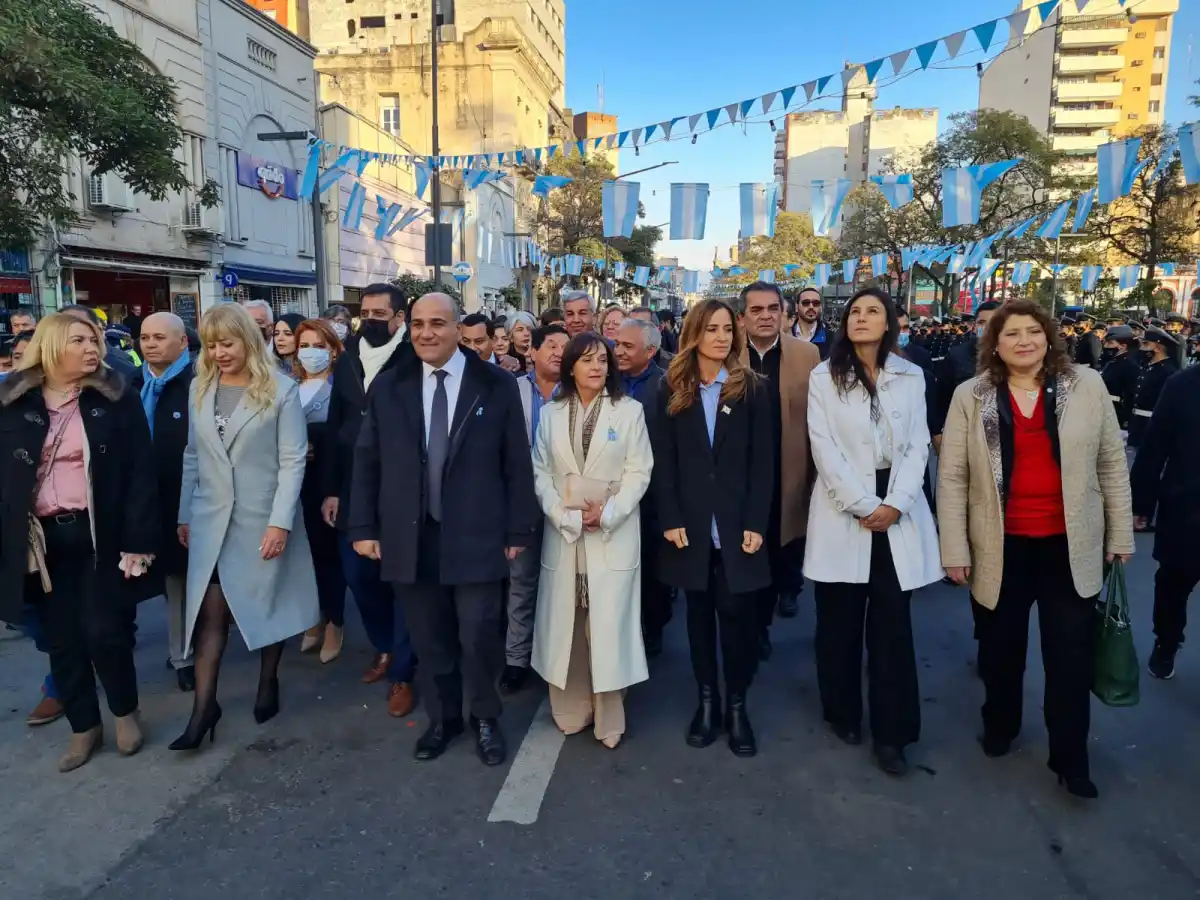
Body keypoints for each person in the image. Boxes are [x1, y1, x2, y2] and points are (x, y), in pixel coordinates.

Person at [938, 299, 1133, 799]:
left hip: (1070, 545)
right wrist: (954, 547)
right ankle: (1000, 724)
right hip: (1000, 545)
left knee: (1069, 656)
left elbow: (1111, 463)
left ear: (1049, 337)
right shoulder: (971, 394)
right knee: (1001, 650)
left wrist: (1121, 535)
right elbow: (954, 475)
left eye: (1033, 331)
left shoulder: (1086, 385)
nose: (1023, 341)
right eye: (1011, 334)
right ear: (995, 345)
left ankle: (1071, 759)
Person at [348, 292, 539, 766]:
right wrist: (363, 525)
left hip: (476, 534)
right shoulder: (390, 387)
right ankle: (443, 718)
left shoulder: (495, 385)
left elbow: (516, 464)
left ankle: (485, 718)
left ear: (458, 329)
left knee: (477, 635)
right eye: (417, 323)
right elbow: (367, 461)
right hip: (409, 537)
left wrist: (518, 532)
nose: (426, 333)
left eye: (437, 323)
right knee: (429, 637)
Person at [0, 313, 160, 771]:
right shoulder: (12, 401)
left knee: (104, 631)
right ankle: (83, 726)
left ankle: (125, 712)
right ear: (51, 347)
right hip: (37, 541)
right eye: (80, 340)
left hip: (98, 535)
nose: (93, 349)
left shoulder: (115, 398)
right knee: (59, 639)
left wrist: (138, 540)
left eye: (95, 340)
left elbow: (140, 473)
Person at [804, 288, 941, 778]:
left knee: (892, 628)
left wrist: (896, 503)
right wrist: (864, 505)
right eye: (854, 312)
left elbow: (918, 447)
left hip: (896, 505)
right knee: (838, 623)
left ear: (890, 324)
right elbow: (823, 447)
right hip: (845, 504)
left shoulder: (911, 375)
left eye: (872, 312)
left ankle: (893, 734)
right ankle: (841, 710)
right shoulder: (824, 377)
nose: (861, 319)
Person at [171, 303, 319, 750]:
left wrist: (280, 523)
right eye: (211, 344)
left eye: (227, 343)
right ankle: (203, 710)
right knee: (210, 614)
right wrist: (184, 513)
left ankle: (268, 680)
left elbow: (293, 460)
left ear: (248, 341)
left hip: (261, 519)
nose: (219, 352)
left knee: (265, 604)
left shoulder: (280, 390)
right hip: (210, 519)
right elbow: (193, 456)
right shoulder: (200, 387)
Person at [649, 298, 773, 757]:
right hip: (690, 528)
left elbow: (764, 463)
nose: (721, 337)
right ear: (693, 334)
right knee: (698, 621)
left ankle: (737, 706)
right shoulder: (670, 388)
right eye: (711, 329)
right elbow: (663, 463)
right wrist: (672, 518)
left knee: (738, 621)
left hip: (739, 526)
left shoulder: (753, 387)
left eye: (727, 329)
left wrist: (757, 521)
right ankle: (707, 701)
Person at [531, 333, 653, 749]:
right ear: (570, 367)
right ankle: (570, 706)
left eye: (603, 359)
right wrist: (564, 516)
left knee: (608, 625)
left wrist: (610, 513)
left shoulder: (629, 411)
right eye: (587, 360)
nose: (598, 366)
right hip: (565, 534)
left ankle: (609, 712)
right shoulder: (550, 414)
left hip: (611, 532)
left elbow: (640, 472)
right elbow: (541, 474)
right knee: (569, 621)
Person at [322, 283, 418, 717]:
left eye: (381, 313)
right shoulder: (347, 356)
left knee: (402, 581)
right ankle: (383, 646)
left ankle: (403, 670)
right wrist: (331, 488)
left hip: (399, 489)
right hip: (352, 487)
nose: (371, 319)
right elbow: (334, 425)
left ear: (399, 318)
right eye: (366, 311)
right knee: (359, 575)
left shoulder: (414, 357)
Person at [737, 282, 820, 651]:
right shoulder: (725, 354)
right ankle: (751, 628)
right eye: (756, 310)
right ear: (742, 319)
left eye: (773, 309)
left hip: (790, 468)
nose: (766, 316)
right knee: (745, 552)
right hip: (739, 475)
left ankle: (771, 610)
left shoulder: (808, 355)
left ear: (785, 314)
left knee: (781, 544)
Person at [503, 323, 570, 693]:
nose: (559, 352)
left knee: (563, 583)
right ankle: (516, 658)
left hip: (565, 501)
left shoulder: (576, 395)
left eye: (565, 346)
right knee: (522, 582)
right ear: (533, 351)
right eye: (552, 346)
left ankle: (557, 659)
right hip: (521, 501)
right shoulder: (511, 390)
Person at [139, 312, 196, 692]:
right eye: (144, 337)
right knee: (163, 579)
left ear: (182, 343)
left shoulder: (198, 384)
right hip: (143, 498)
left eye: (159, 337)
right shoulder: (129, 384)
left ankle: (184, 656)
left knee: (181, 579)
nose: (150, 344)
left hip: (186, 497)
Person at [1131, 362, 1200, 680]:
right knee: (1172, 584)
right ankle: (1167, 643)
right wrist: (1140, 504)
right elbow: (1154, 447)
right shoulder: (1182, 385)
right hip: (1187, 508)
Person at [614, 317, 671, 656]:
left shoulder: (667, 386)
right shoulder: (606, 381)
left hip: (651, 496)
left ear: (649, 351)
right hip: (611, 491)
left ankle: (654, 629)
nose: (618, 351)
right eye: (617, 344)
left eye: (627, 346)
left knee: (652, 571)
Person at [293, 319, 347, 664]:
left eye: (318, 346)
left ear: (333, 350)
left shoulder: (340, 389)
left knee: (328, 556)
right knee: (302, 556)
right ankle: (313, 617)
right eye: (305, 345)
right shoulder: (285, 387)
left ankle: (335, 622)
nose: (311, 353)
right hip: (293, 482)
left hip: (325, 481)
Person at [1128, 327, 1180, 456]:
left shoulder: (1168, 371)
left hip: (1153, 423)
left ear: (1158, 347)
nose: (1142, 347)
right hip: (1138, 422)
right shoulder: (1148, 365)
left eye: (1146, 344)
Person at [1099, 324, 1140, 435]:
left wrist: (1125, 419)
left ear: (1123, 346)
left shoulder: (1129, 365)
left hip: (1118, 414)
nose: (1106, 346)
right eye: (1106, 343)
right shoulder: (1113, 362)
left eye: (1111, 343)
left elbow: (1130, 394)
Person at [792, 287, 830, 360]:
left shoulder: (831, 339)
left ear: (821, 308)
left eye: (816, 303)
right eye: (806, 303)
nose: (811, 307)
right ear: (796, 307)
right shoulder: (784, 336)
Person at [272, 312, 305, 377]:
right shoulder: (268, 369)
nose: (280, 338)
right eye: (276, 334)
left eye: (288, 334)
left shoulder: (313, 368)